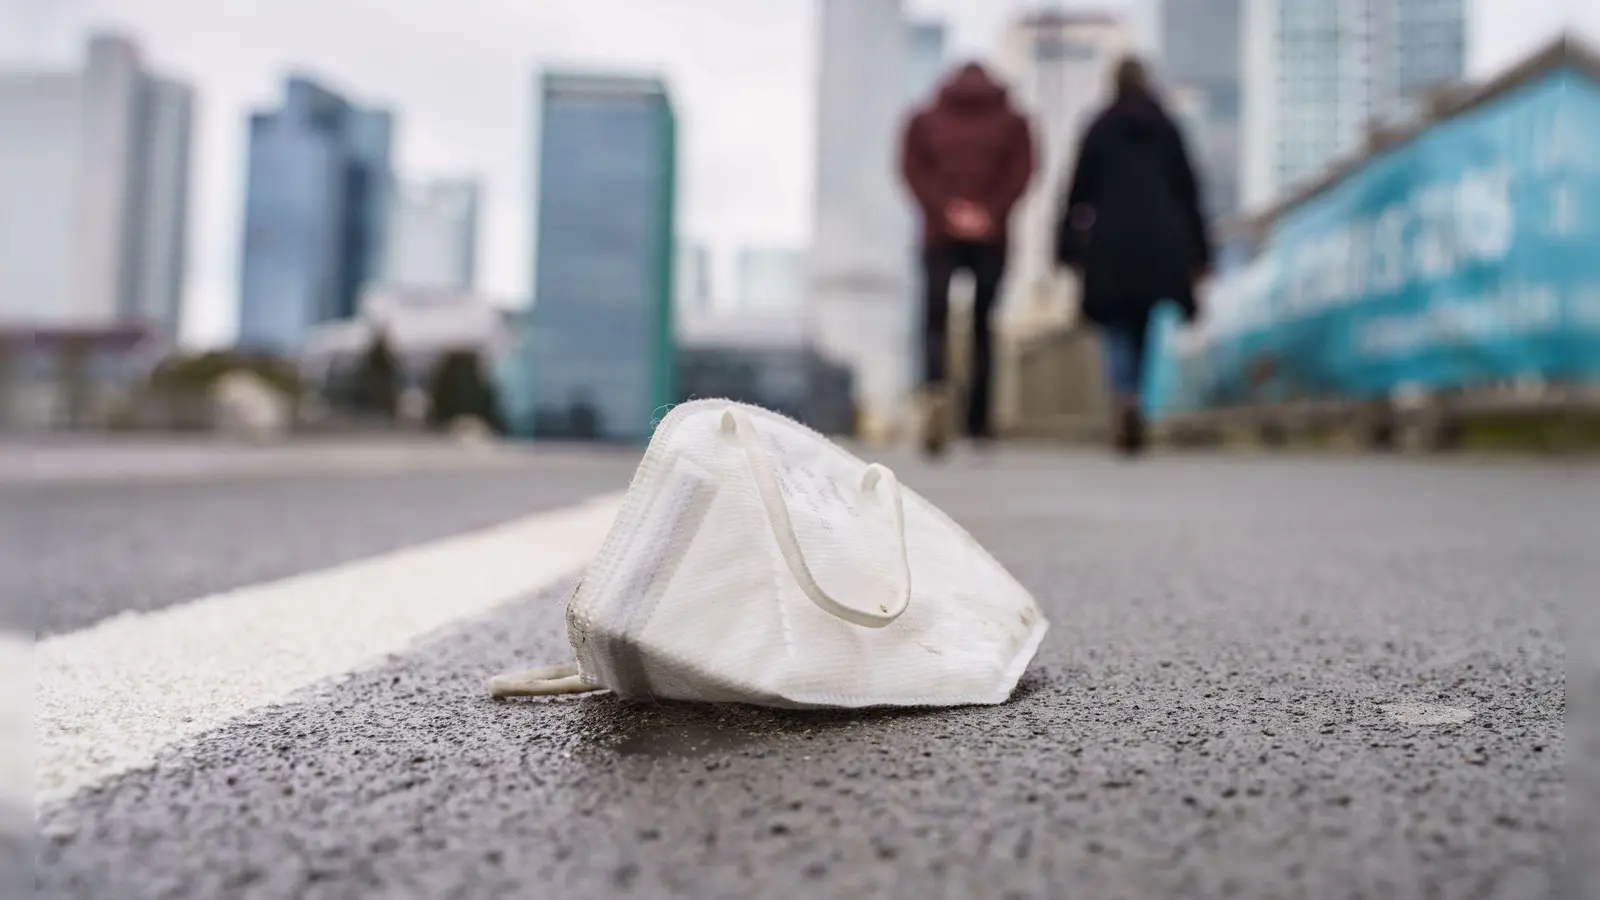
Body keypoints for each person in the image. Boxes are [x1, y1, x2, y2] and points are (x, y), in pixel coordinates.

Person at [1057, 56, 1213, 456]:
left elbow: (1076, 193)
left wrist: (1065, 248)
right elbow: (1189, 193)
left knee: (1115, 330)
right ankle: (1137, 399)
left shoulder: (1099, 127)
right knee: (1143, 327)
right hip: (1159, 245)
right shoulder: (1167, 128)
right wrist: (1200, 253)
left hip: (1110, 245)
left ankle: (1123, 398)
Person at [900, 62, 1036, 458]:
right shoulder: (1014, 121)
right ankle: (979, 424)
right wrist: (989, 212)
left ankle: (934, 399)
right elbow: (1023, 171)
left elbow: (911, 170)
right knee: (983, 328)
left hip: (938, 234)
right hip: (992, 237)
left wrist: (946, 211)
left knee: (934, 321)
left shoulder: (924, 118)